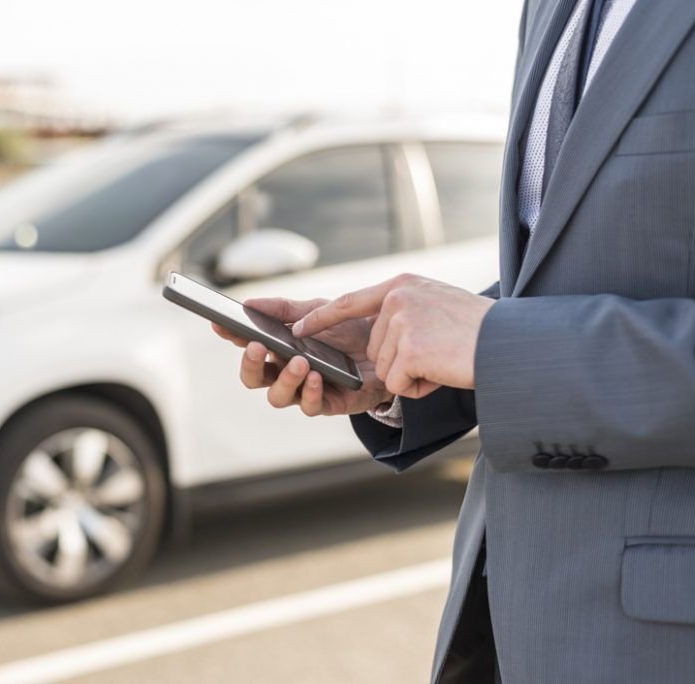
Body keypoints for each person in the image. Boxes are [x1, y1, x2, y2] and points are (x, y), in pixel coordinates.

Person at [214, 1, 695, 681]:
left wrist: (495, 346)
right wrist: (393, 356)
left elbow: (519, 338)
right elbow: (569, 281)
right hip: (500, 618)